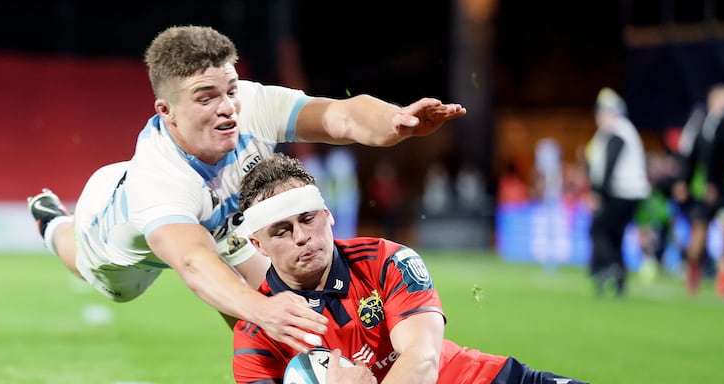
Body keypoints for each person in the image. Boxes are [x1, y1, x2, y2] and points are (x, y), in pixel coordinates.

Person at [231, 153, 699, 384]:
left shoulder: (386, 259)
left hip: (500, 383)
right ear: (257, 243)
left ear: (328, 214)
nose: (302, 237)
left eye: (308, 219)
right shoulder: (259, 328)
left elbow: (423, 359)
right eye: (281, 230)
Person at [26, 25, 466, 353]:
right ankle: (52, 222)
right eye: (205, 97)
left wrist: (394, 122)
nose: (227, 109)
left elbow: (341, 115)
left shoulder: (248, 103)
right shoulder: (158, 182)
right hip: (115, 231)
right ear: (166, 111)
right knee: (89, 265)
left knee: (289, 312)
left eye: (230, 90)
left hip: (226, 227)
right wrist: (260, 311)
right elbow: (194, 262)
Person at [585, 88, 650, 296]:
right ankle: (619, 279)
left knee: (598, 229)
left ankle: (609, 266)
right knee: (615, 235)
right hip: (627, 192)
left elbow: (609, 165)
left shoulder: (618, 131)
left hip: (622, 192)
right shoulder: (619, 131)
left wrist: (598, 193)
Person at [672, 83, 724, 297]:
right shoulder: (698, 123)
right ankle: (693, 271)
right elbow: (688, 154)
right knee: (699, 232)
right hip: (704, 190)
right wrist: (683, 181)